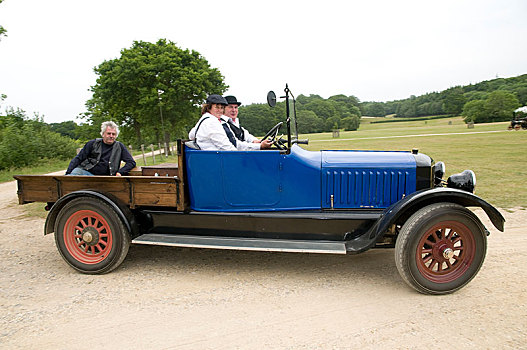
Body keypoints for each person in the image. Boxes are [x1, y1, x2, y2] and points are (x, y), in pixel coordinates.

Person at [189, 95, 272, 151]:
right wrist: (240, 157)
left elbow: (191, 135)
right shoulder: (212, 122)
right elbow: (226, 147)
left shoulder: (204, 119)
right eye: (217, 107)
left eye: (222, 108)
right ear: (209, 107)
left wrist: (257, 144)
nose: (220, 110)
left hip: (213, 158)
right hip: (215, 161)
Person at [66, 121, 136, 176]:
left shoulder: (119, 147)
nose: (111, 136)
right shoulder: (92, 143)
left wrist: (120, 172)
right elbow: (78, 158)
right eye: (108, 133)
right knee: (75, 173)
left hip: (106, 178)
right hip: (87, 173)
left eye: (113, 134)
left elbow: (131, 162)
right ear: (103, 134)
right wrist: (67, 174)